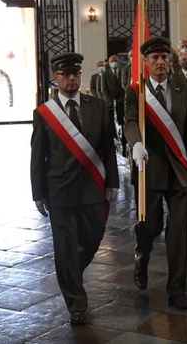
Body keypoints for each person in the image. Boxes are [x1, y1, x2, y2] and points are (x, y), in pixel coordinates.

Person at [30, 52, 119, 325]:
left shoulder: (98, 105)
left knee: (93, 237)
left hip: (93, 185)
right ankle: (76, 303)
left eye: (76, 74)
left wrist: (112, 181)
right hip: (60, 189)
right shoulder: (45, 113)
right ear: (55, 78)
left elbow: (108, 148)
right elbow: (38, 156)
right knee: (66, 246)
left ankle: (70, 274)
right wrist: (39, 193)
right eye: (65, 75)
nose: (71, 79)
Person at [125, 36, 187, 310]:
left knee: (178, 232)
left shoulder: (183, 87)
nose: (160, 62)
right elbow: (130, 121)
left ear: (171, 60)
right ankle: (141, 254)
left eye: (164, 57)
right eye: (154, 58)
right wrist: (136, 145)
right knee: (150, 227)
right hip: (149, 168)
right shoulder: (136, 90)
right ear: (145, 62)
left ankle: (177, 290)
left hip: (179, 170)